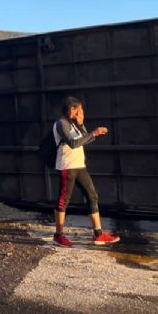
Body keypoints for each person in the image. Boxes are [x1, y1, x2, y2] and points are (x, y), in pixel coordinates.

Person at [52, 97, 119, 247]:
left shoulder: (74, 125)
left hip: (79, 165)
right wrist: (93, 132)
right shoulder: (61, 124)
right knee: (64, 200)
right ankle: (58, 235)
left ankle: (98, 234)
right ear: (71, 109)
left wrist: (82, 125)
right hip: (66, 166)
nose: (80, 112)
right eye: (78, 109)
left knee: (92, 195)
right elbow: (74, 143)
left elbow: (85, 140)